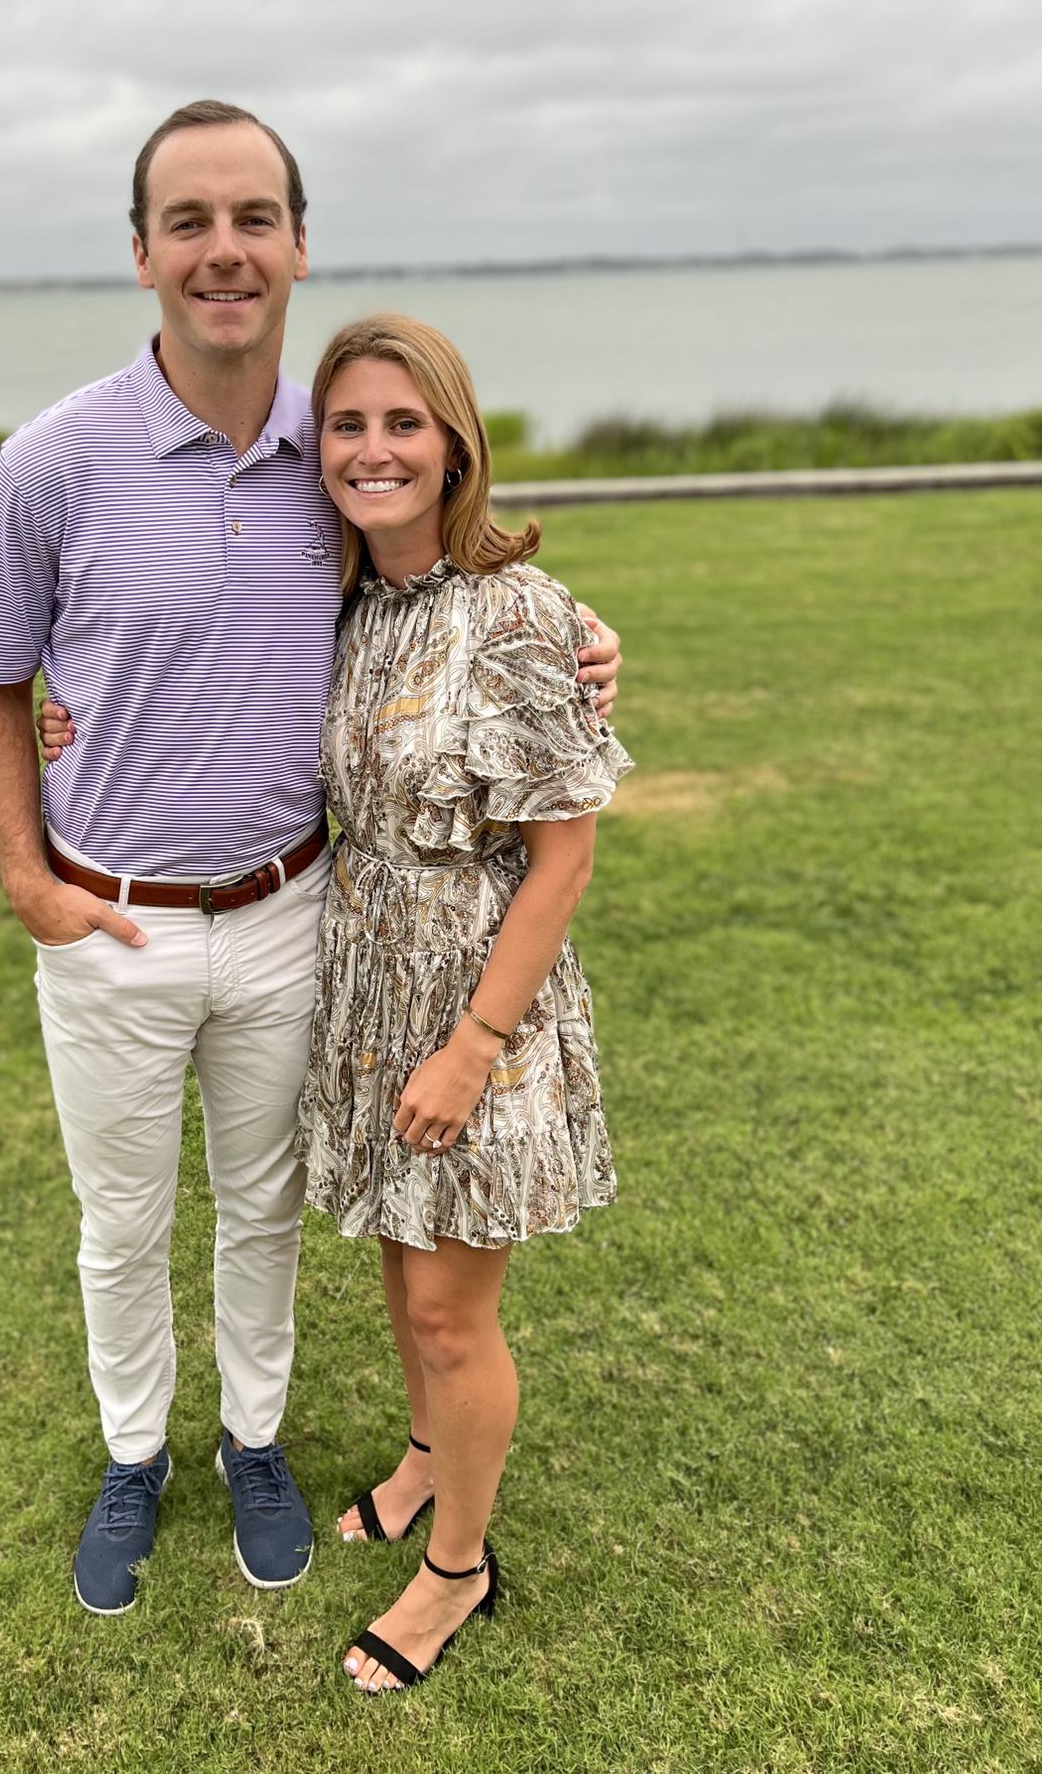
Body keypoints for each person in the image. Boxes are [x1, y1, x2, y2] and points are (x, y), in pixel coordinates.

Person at [0, 100, 624, 1618]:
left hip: (290, 916)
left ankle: (254, 1441)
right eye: (188, 221)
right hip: (111, 922)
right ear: (141, 252)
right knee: (122, 1225)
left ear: (299, 245)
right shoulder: (51, 463)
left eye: (254, 218)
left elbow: (449, 583)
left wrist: (578, 634)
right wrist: (26, 877)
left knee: (265, 1212)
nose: (225, 250)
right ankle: (136, 1456)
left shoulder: (326, 455)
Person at [299, 312, 632, 1694]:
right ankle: (427, 1457)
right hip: (368, 982)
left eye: (403, 423)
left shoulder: (520, 614)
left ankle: (458, 1571)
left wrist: (473, 1049)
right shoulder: (342, 604)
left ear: (455, 445)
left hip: (476, 1002)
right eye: (347, 425)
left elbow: (565, 856)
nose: (373, 450)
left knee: (450, 1307)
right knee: (399, 1258)